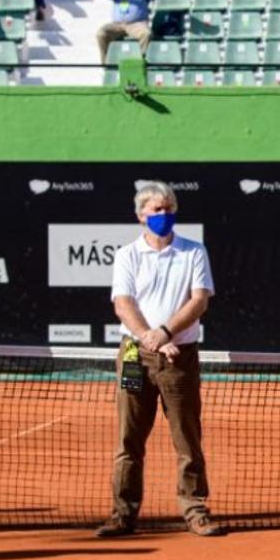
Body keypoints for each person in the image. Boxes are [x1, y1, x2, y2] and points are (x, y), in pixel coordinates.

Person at [96, 182, 223, 538]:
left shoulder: (193, 252)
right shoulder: (127, 255)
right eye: (156, 210)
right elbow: (123, 304)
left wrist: (164, 334)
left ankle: (195, 509)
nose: (163, 215)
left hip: (179, 357)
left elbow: (198, 301)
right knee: (128, 438)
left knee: (187, 437)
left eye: (168, 208)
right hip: (135, 356)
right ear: (141, 216)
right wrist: (149, 339)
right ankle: (122, 514)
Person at [97, 0, 161, 64]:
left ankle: (140, 63)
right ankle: (106, 65)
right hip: (117, 24)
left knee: (146, 33)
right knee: (101, 34)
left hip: (136, 24)